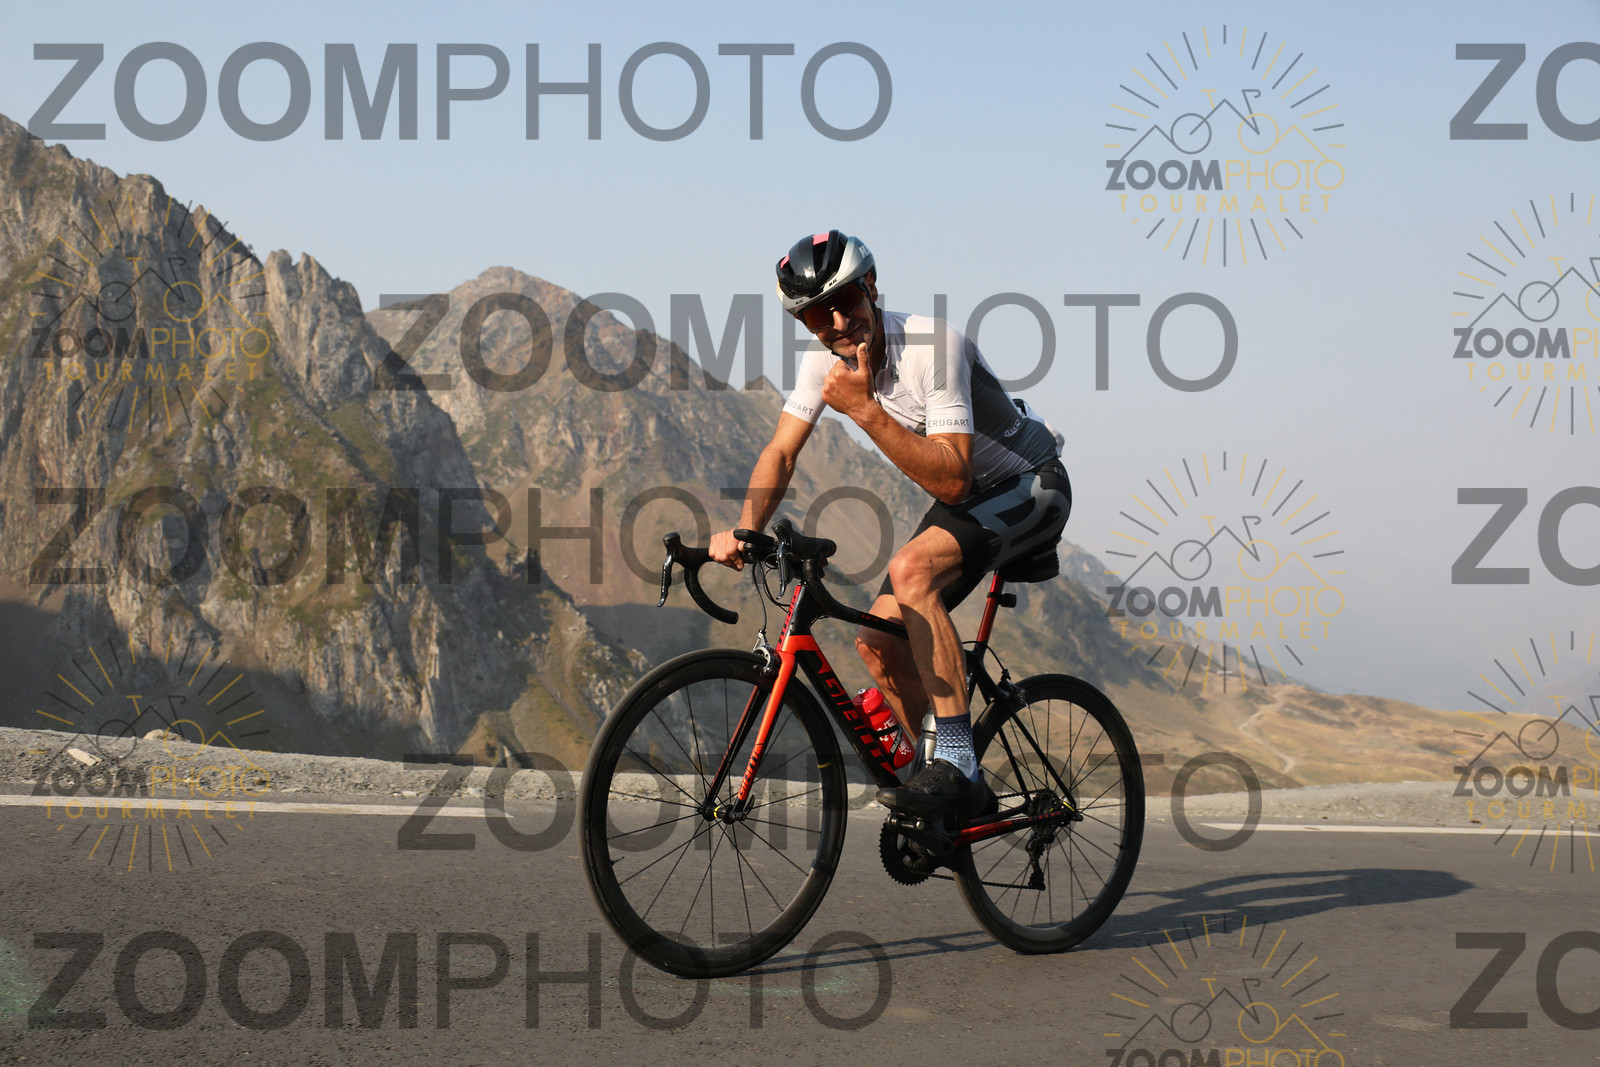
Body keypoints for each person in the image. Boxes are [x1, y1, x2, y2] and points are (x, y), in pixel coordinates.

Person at [709, 230, 1070, 818]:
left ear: (871, 287)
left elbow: (952, 481)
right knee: (877, 642)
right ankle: (943, 786)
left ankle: (958, 763)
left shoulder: (932, 344)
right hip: (971, 495)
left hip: (1032, 483)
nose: (837, 323)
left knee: (911, 572)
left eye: (845, 301)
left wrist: (864, 409)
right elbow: (782, 451)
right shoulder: (822, 364)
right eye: (817, 316)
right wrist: (746, 530)